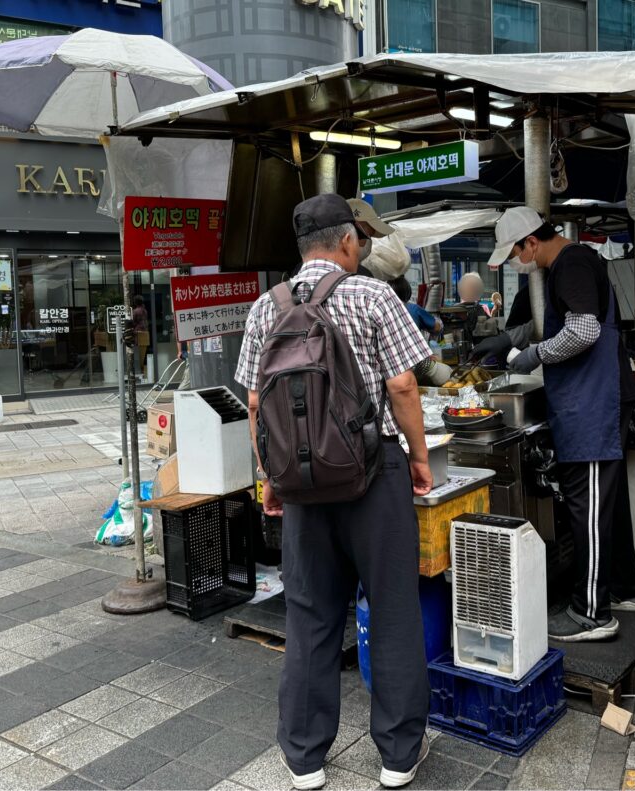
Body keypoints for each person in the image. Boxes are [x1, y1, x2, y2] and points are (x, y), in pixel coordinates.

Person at [236, 194, 434, 791]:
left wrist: (272, 478)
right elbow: (402, 385)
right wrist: (420, 458)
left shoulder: (264, 308)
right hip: (374, 477)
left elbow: (253, 403)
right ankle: (398, 758)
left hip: (300, 487)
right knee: (394, 611)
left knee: (311, 616)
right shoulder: (374, 296)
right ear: (349, 241)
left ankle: (305, 758)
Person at [474, 206, 635, 642]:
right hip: (596, 396)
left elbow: (584, 331)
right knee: (607, 502)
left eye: (514, 252)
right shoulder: (577, 263)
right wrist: (515, 341)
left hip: (592, 400)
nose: (516, 261)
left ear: (531, 241)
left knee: (586, 505)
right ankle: (625, 589)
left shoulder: (569, 264)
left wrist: (532, 355)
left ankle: (591, 613)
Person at [132, 295, 149, 374]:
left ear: (135, 302)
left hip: (137, 333)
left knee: (137, 353)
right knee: (142, 354)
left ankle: (138, 370)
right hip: (144, 332)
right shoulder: (144, 310)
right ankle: (142, 369)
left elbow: (133, 322)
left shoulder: (136, 311)